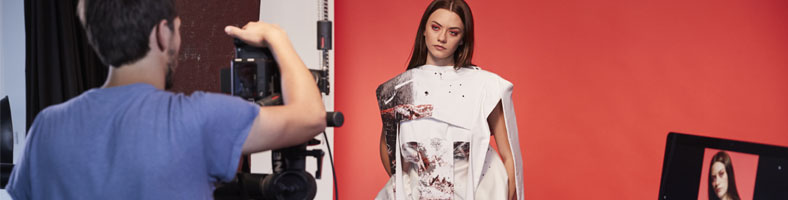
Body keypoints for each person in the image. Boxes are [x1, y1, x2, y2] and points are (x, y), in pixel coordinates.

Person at [5, 0, 326, 199]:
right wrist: (276, 37)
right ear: (162, 33)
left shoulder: (46, 128)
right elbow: (311, 116)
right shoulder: (196, 118)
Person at [375, 0, 524, 199]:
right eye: (436, 27)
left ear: (463, 39)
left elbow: (510, 157)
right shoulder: (397, 89)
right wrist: (410, 184)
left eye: (453, 32)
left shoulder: (485, 86)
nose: (442, 37)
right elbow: (388, 148)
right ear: (424, 30)